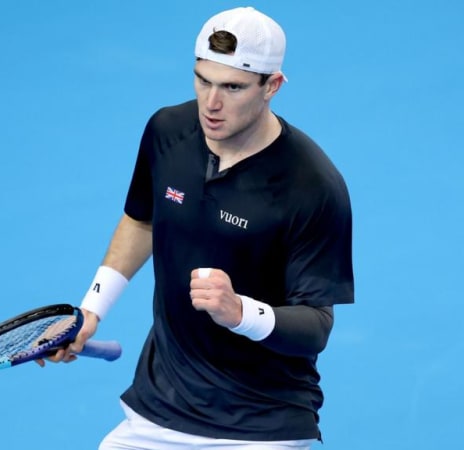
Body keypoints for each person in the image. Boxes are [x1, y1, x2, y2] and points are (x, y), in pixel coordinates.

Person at [42, 6, 355, 450]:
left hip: (260, 424)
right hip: (158, 407)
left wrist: (240, 312)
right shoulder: (167, 131)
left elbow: (316, 325)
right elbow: (142, 220)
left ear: (273, 86)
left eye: (232, 87)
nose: (211, 103)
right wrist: (91, 309)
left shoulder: (312, 185)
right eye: (203, 79)